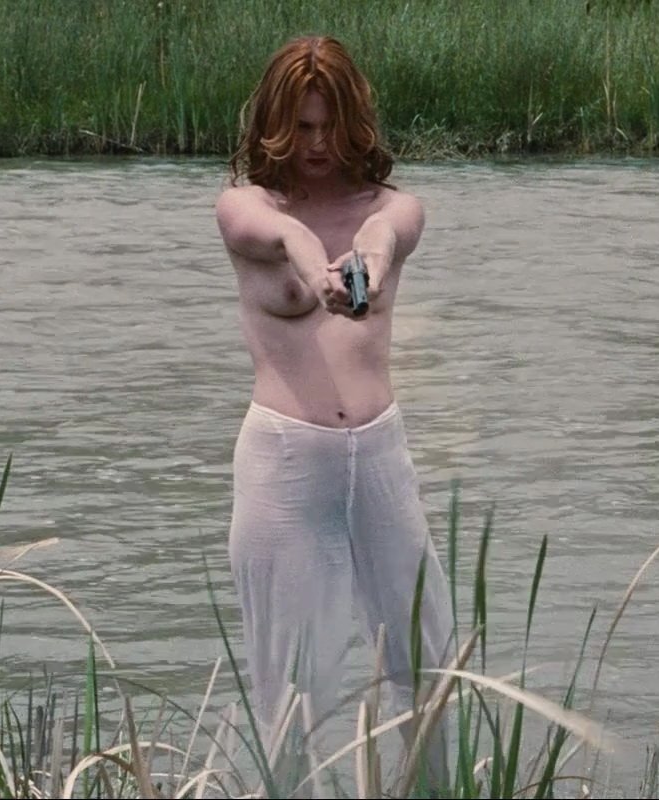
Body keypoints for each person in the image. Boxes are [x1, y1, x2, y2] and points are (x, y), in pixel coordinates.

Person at [213, 34, 455, 795]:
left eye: (329, 126)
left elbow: (388, 233)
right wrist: (308, 257)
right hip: (286, 463)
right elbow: (274, 235)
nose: (316, 145)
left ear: (355, 122)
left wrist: (370, 262)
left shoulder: (391, 208)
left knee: (429, 665)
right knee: (294, 692)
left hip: (379, 457)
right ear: (273, 125)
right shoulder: (245, 207)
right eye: (301, 127)